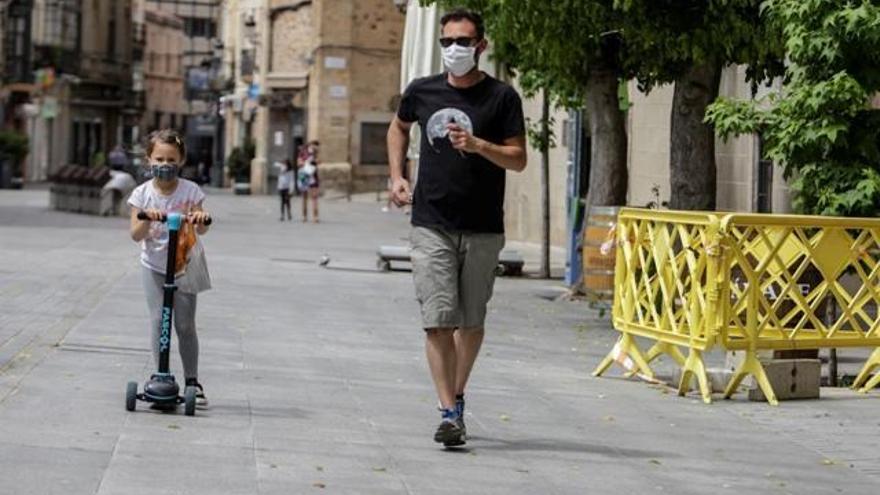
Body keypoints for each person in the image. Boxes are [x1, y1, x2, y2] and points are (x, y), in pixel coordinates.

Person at [386, 8, 527, 447]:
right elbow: (398, 127)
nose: (454, 50)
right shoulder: (421, 91)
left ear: (480, 46)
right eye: (447, 42)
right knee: (437, 323)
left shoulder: (502, 98)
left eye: (463, 42)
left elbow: (518, 159)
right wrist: (396, 176)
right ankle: (448, 412)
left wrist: (480, 145)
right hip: (431, 222)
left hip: (483, 226)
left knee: (471, 321)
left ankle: (459, 392)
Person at [128, 129, 213, 407]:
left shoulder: (190, 191)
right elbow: (136, 234)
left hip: (184, 264)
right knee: (158, 320)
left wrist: (199, 217)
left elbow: (202, 227)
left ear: (181, 160)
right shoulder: (142, 194)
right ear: (149, 159)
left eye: (171, 159)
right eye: (159, 158)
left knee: (185, 324)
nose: (165, 164)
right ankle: (160, 374)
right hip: (153, 265)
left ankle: (192, 380)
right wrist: (148, 218)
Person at [297, 140, 320, 223]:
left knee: (314, 197)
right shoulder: (303, 152)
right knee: (304, 197)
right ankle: (304, 216)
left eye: (317, 146)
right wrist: (307, 162)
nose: (316, 148)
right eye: (315, 146)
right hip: (304, 176)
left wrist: (315, 160)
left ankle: (315, 217)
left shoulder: (316, 153)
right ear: (311, 145)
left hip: (313, 176)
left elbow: (319, 162)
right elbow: (299, 163)